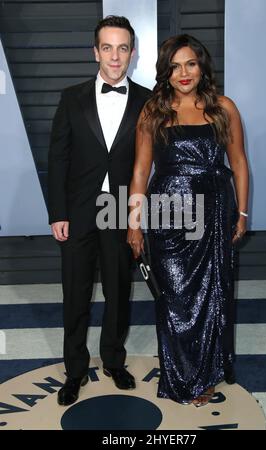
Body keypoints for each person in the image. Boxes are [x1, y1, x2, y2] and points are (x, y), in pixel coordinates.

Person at [127, 34, 249, 406]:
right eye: (176, 66)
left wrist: (242, 213)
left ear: (202, 66)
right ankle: (181, 376)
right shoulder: (153, 110)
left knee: (212, 296)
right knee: (175, 299)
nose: (184, 73)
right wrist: (134, 222)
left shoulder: (223, 108)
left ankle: (205, 376)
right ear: (166, 71)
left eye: (191, 64)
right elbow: (140, 170)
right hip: (167, 214)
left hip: (213, 213)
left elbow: (239, 162)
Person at [48, 16, 151, 406]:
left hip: (121, 211)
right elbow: (58, 159)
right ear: (95, 52)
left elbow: (153, 162)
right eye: (107, 47)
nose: (114, 55)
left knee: (118, 292)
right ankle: (74, 371)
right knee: (75, 295)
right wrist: (58, 212)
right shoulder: (71, 97)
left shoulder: (146, 99)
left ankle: (113, 360)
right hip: (77, 211)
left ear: (132, 53)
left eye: (122, 47)